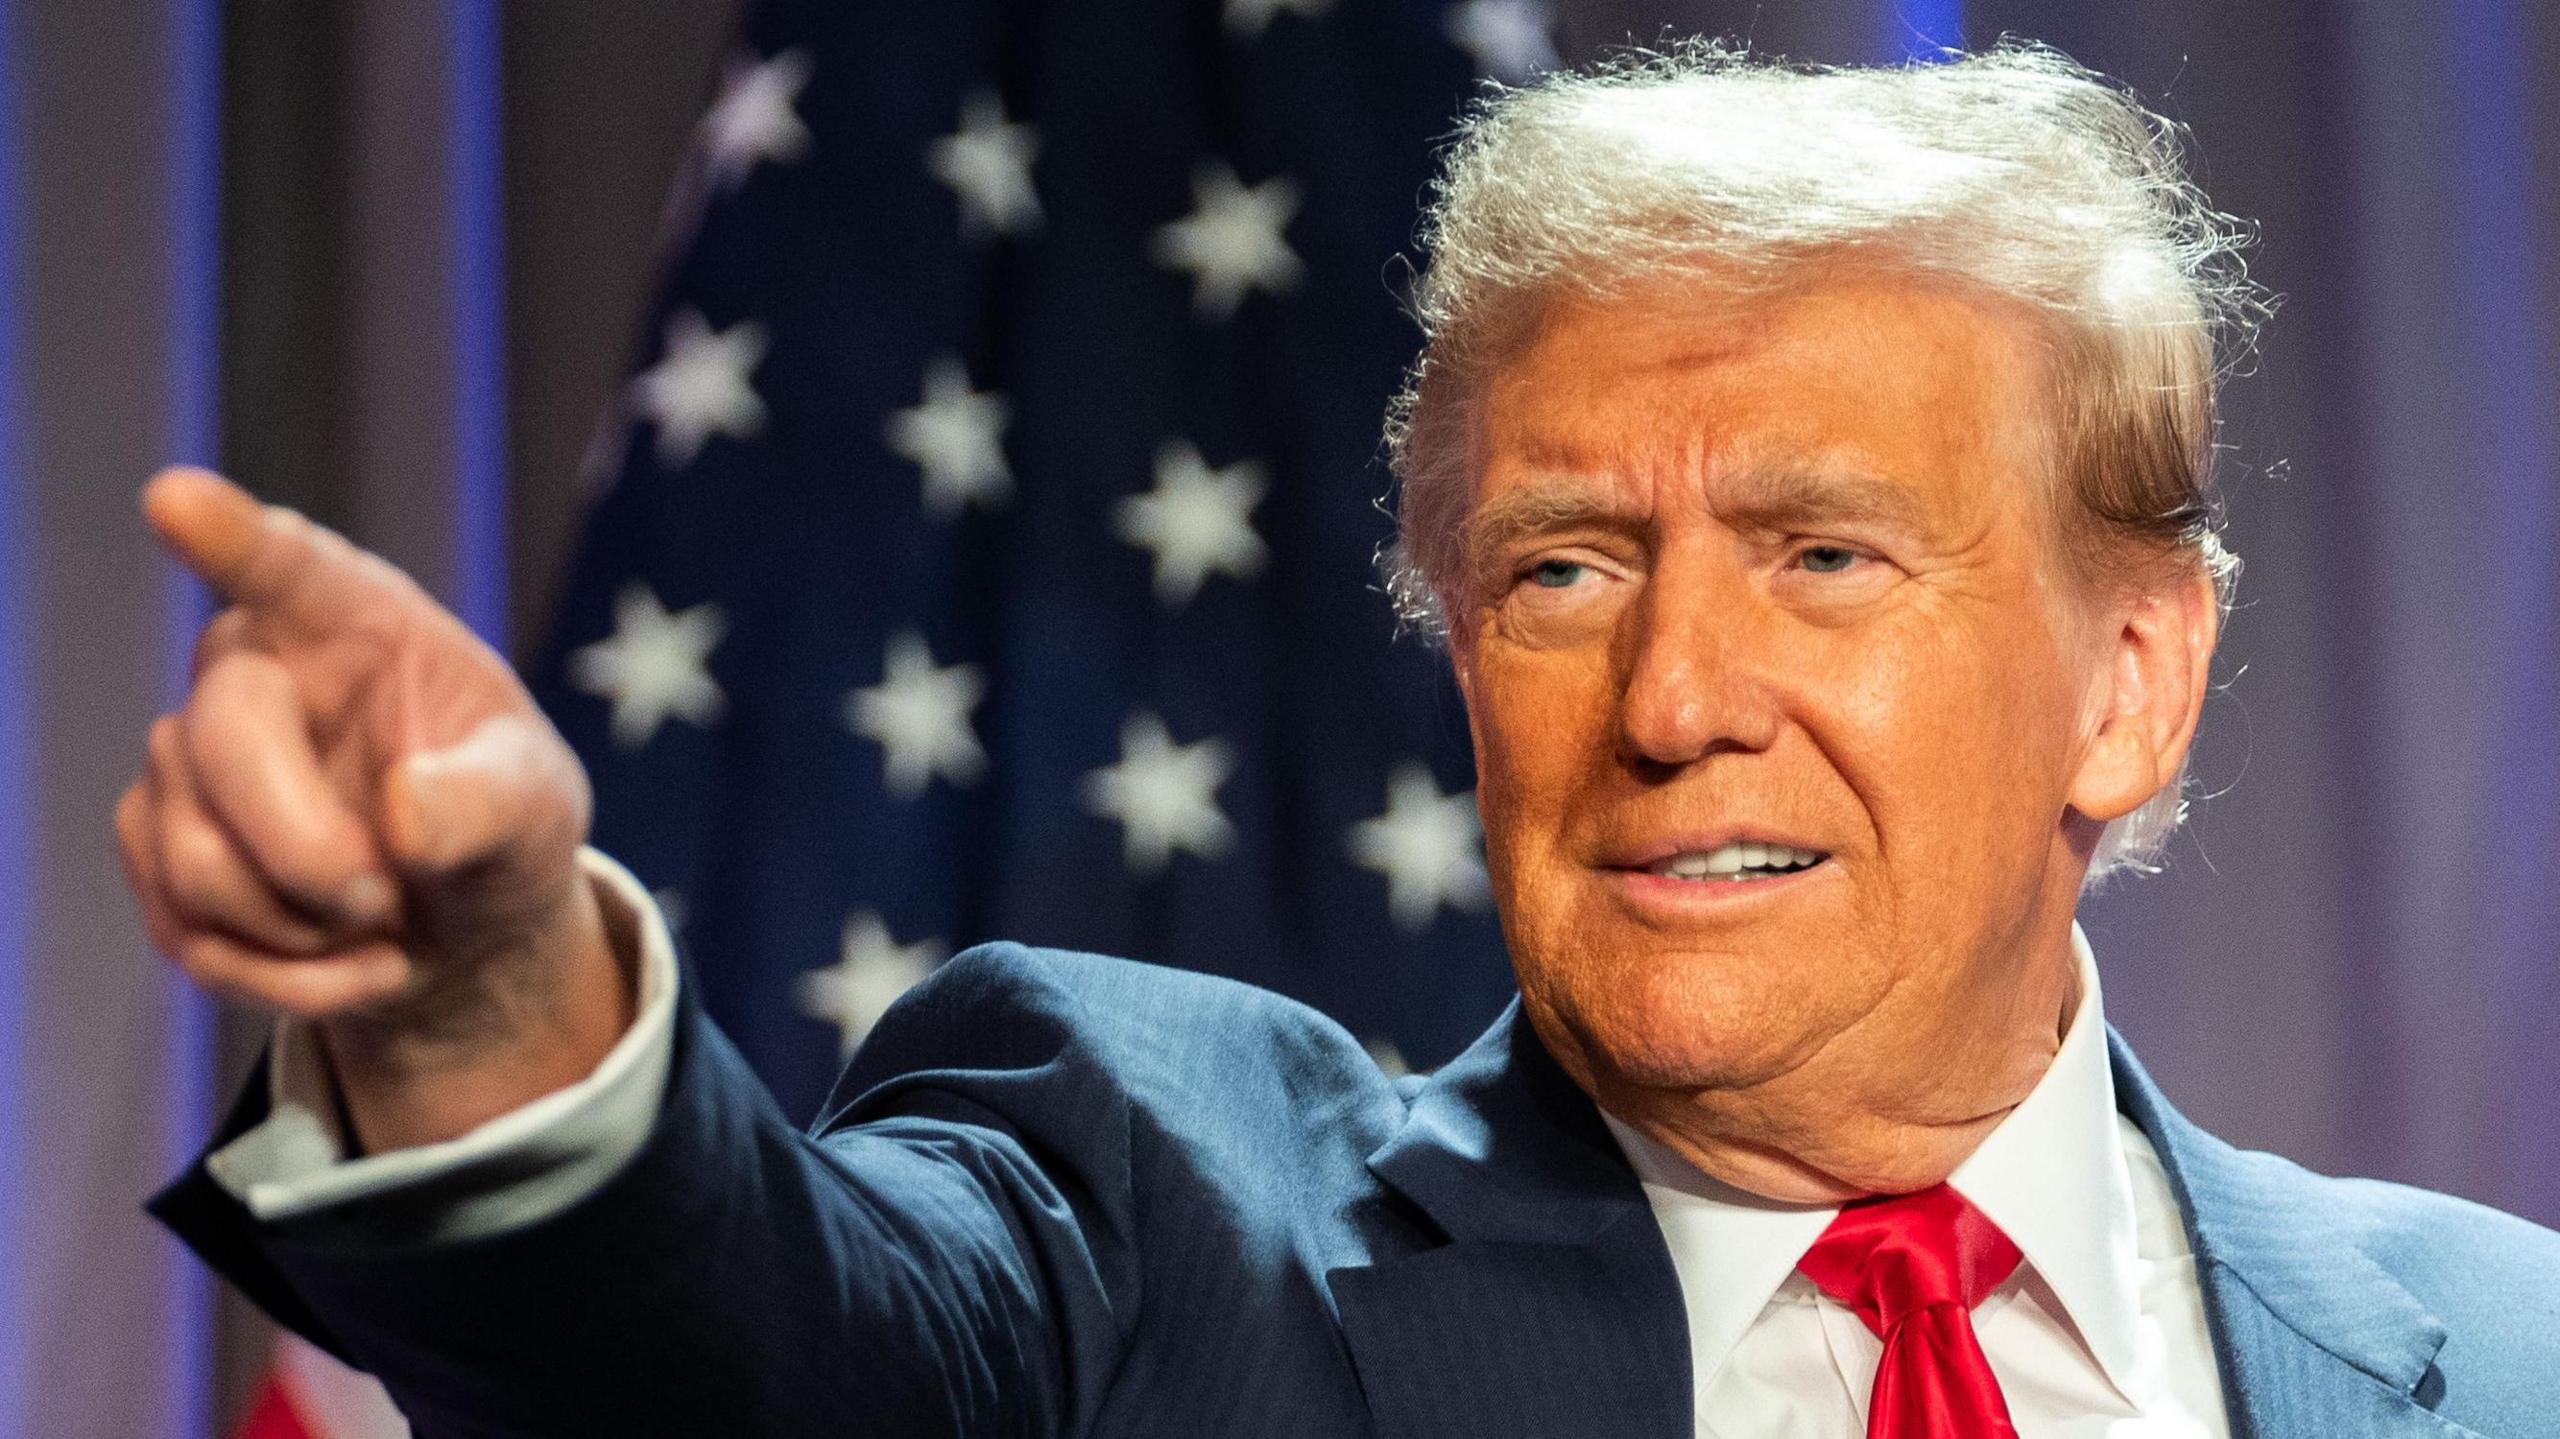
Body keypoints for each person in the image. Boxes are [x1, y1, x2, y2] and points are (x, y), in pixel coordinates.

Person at [130, 43, 2560, 1439]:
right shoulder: (1152, 1236)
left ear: (2128, 678)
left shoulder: (2507, 1360)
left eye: (1824, 555)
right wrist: (482, 1003)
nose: (1672, 700)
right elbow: (751, 1364)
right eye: (1559, 572)